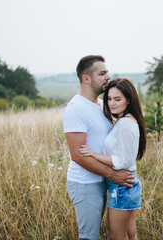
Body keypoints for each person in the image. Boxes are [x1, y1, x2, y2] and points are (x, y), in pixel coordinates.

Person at [63, 55, 135, 240]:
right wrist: (113, 174)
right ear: (86, 78)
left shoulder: (101, 104)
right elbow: (78, 156)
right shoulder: (76, 109)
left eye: (107, 72)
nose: (107, 77)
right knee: (89, 237)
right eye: (102, 73)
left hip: (105, 180)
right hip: (86, 183)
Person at [78, 78, 147, 240]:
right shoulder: (126, 121)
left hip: (122, 187)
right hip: (126, 185)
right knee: (131, 235)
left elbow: (124, 160)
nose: (111, 103)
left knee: (117, 237)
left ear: (128, 100)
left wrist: (94, 154)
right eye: (109, 99)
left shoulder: (125, 124)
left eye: (117, 99)